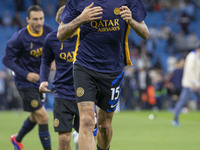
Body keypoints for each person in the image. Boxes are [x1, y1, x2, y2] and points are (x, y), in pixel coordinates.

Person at [57, 0, 149, 150]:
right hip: (84, 67)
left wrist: (131, 20)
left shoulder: (128, 1)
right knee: (86, 121)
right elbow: (61, 34)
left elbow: (145, 33)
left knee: (104, 125)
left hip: (113, 71)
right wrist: (81, 18)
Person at [2, 5, 53, 150]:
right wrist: (26, 74)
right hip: (24, 83)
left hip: (40, 82)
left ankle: (16, 139)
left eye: (41, 18)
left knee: (34, 116)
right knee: (43, 117)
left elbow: (55, 48)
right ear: (28, 20)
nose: (39, 22)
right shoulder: (20, 37)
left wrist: (54, 61)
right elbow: (6, 60)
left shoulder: (49, 32)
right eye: (35, 19)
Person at [39, 5, 80, 150]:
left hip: (86, 92)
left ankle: (78, 141)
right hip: (62, 93)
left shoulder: (87, 37)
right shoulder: (52, 39)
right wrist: (43, 79)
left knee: (88, 134)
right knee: (63, 138)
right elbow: (45, 60)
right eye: (62, 23)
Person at [172, 42, 200, 126]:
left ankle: (175, 119)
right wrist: (193, 83)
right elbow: (189, 70)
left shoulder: (197, 57)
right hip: (190, 84)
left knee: (182, 101)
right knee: (182, 102)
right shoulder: (192, 56)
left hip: (196, 84)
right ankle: (175, 119)